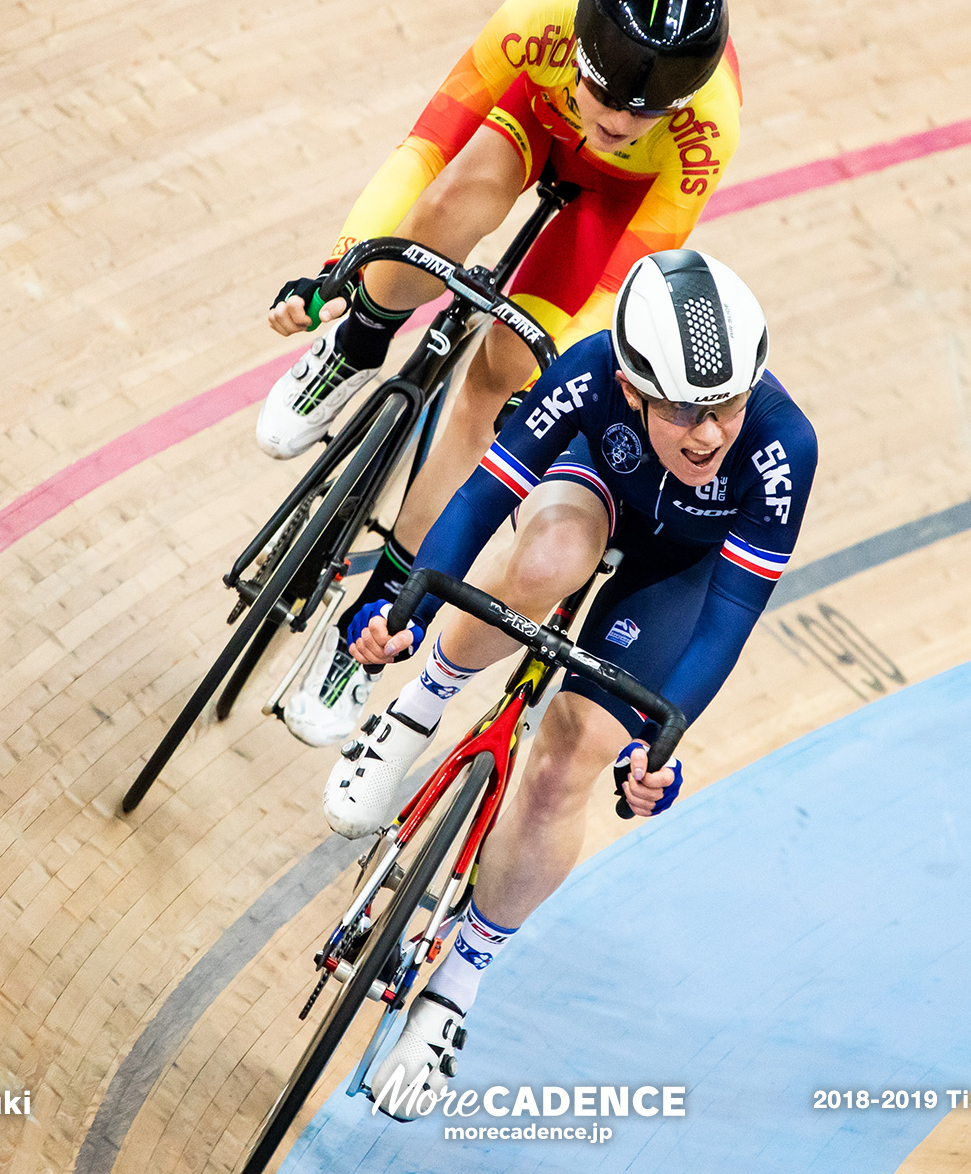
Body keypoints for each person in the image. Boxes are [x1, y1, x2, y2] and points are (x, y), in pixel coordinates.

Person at [323, 248, 816, 1119]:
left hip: (680, 573)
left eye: (728, 405)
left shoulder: (782, 448)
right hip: (591, 489)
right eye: (684, 412)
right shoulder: (592, 375)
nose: (710, 435)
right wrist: (406, 610)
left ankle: (455, 990)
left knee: (570, 756)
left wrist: (657, 749)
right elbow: (479, 502)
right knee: (547, 558)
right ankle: (416, 711)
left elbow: (726, 620)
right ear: (633, 390)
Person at [258, 0, 743, 746]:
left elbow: (618, 288)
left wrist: (545, 386)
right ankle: (356, 343)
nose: (623, 121)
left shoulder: (708, 128)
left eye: (646, 110)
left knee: (501, 376)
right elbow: (423, 151)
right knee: (453, 200)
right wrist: (341, 267)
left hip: (612, 209)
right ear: (581, 53)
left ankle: (373, 621)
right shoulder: (536, 22)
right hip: (531, 126)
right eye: (607, 96)